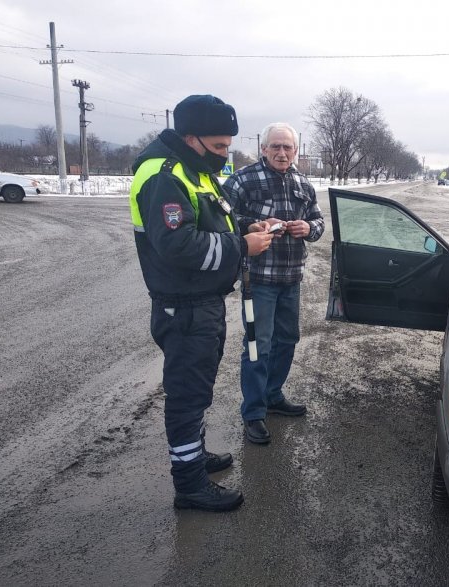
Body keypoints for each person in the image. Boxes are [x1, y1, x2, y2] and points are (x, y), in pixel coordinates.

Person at [129, 95, 274, 511]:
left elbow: (216, 219)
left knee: (198, 390)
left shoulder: (195, 169)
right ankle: (189, 485)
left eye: (228, 145)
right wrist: (242, 246)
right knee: (187, 395)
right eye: (219, 146)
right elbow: (177, 245)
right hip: (184, 305)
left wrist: (247, 226)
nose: (225, 155)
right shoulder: (164, 175)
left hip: (202, 302)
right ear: (190, 137)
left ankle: (194, 455)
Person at [223, 122, 325, 445]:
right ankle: (253, 413)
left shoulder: (303, 184)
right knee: (257, 345)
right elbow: (220, 216)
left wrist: (308, 228)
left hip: (291, 278)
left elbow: (319, 222)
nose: (282, 153)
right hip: (259, 280)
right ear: (263, 149)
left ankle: (272, 395)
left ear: (295, 151)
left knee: (287, 340)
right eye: (275, 147)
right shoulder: (243, 179)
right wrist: (251, 224)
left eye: (288, 148)